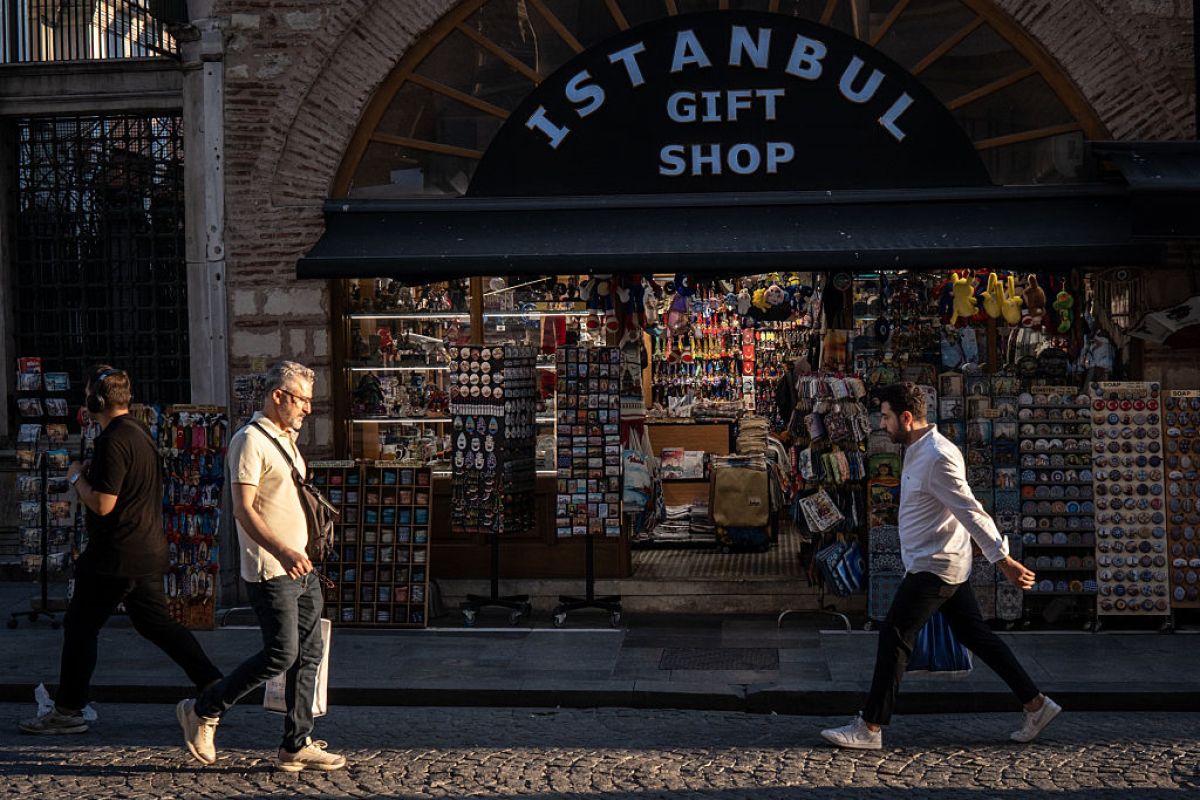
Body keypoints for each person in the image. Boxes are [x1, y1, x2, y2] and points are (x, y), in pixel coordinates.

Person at [821, 382, 1061, 750]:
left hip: (935, 566)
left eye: (885, 417)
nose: (881, 424)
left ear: (906, 417)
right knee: (976, 636)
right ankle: (1036, 703)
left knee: (895, 636)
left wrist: (1003, 559)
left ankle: (870, 727)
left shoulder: (937, 455)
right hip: (938, 561)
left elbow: (969, 509)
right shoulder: (916, 450)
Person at [19, 366, 222, 735]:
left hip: (115, 555)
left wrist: (77, 476)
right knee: (156, 624)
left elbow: (103, 504)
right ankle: (213, 683)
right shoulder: (139, 431)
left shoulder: (114, 440)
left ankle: (67, 710)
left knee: (80, 626)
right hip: (144, 548)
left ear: (95, 401)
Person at [176, 361, 345, 772]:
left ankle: (296, 742)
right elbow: (244, 510)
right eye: (302, 400)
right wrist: (284, 552)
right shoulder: (248, 440)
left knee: (310, 653)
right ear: (278, 397)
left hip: (301, 567)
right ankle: (204, 709)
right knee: (281, 654)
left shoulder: (285, 438)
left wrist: (301, 552)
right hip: (272, 568)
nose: (308, 408)